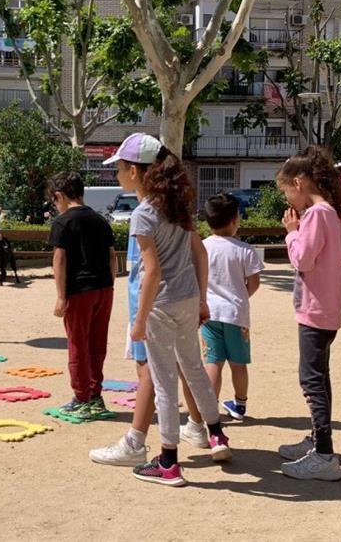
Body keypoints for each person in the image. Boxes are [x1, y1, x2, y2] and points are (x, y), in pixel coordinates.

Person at [102, 133, 232, 487]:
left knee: (164, 382)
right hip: (188, 298)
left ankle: (169, 462)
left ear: (134, 171)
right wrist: (203, 298)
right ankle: (217, 433)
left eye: (120, 170)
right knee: (193, 368)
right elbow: (198, 255)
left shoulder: (143, 215)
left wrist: (139, 320)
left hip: (161, 304)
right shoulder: (178, 208)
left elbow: (152, 271)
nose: (117, 176)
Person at [276, 146, 341, 481]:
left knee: (312, 380)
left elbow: (302, 259)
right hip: (324, 305)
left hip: (316, 309)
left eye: (286, 191)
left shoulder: (317, 214)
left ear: (299, 181)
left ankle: (323, 453)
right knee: (319, 377)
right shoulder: (328, 212)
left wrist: (291, 232)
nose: (288, 199)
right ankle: (317, 440)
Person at [47, 172, 118, 417]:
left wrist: (60, 296)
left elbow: (60, 258)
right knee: (97, 344)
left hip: (79, 291)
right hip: (103, 290)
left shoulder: (63, 222)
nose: (56, 207)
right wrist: (109, 286)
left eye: (55, 201)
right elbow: (112, 256)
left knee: (78, 344)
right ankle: (96, 394)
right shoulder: (101, 220)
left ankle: (81, 398)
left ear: (59, 196)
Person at [197, 192, 263, 420]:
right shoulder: (245, 250)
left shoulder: (202, 247)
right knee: (238, 363)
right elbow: (254, 282)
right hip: (236, 314)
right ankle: (240, 405)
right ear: (235, 219)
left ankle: (209, 408)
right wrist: (241, 297)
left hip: (209, 314)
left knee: (213, 361)